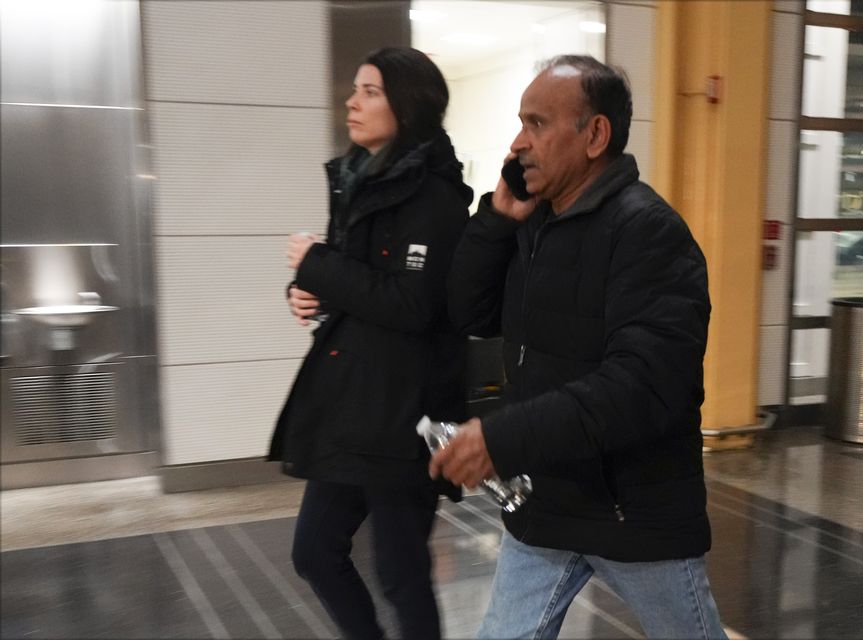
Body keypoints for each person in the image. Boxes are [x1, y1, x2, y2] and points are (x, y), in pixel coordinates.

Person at [431, 55, 727, 640]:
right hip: (549, 502)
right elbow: (468, 312)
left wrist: (503, 438)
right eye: (521, 123)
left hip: (632, 515)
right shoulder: (534, 224)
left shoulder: (648, 232)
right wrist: (496, 221)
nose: (519, 143)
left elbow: (643, 386)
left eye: (537, 124)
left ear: (595, 135)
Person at [268, 47, 472, 640]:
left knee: (402, 573)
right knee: (314, 552)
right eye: (355, 90)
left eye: (370, 92)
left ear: (407, 106)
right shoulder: (361, 180)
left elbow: (411, 305)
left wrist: (319, 267)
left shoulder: (435, 200)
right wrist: (306, 291)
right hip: (351, 409)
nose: (352, 103)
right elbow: (359, 283)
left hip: (404, 415)